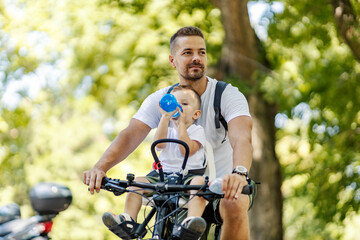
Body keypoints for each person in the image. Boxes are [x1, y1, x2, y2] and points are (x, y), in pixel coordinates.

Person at [83, 26, 254, 240]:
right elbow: (131, 133)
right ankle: (128, 221)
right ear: (173, 60)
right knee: (140, 186)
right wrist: (100, 167)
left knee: (234, 201)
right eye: (187, 53)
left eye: (201, 52)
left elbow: (242, 136)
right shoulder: (162, 99)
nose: (196, 58)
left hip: (220, 185)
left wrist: (239, 173)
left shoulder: (226, 95)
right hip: (172, 183)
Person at [102, 85, 208, 236]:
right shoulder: (167, 129)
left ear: (196, 114)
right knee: (137, 182)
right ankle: (129, 220)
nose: (178, 107)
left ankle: (191, 223)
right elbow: (159, 144)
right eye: (174, 102)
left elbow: (186, 150)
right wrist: (165, 117)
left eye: (184, 104)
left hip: (187, 177)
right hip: (162, 175)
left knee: (199, 184)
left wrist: (181, 126)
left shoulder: (197, 131)